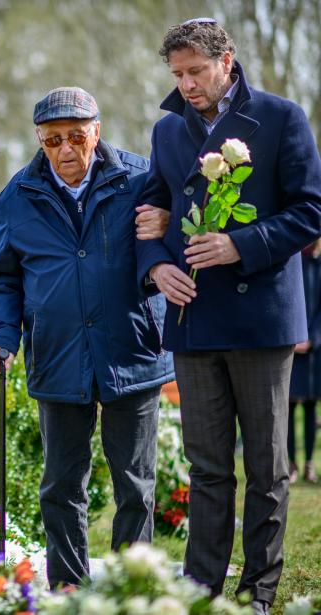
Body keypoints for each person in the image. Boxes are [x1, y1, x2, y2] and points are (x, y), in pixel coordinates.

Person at [135, 19, 321, 614]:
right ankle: (201, 590)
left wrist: (243, 245)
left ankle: (258, 594)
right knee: (207, 466)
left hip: (261, 316)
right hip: (193, 319)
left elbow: (310, 209)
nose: (186, 85)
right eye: (177, 75)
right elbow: (151, 210)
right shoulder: (168, 130)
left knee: (266, 468)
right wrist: (155, 269)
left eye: (195, 72)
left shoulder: (282, 117)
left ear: (227, 61)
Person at [0, 87, 173, 590]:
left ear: (97, 132)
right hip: (58, 352)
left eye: (76, 137)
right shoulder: (17, 196)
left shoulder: (140, 178)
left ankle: (132, 587)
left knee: (135, 483)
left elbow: (170, 242)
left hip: (131, 349)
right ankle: (68, 588)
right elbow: (2, 278)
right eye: (52, 141)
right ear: (40, 142)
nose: (66, 150)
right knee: (62, 485)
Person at [288, 239, 321, 484]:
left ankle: (309, 464)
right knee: (286, 410)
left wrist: (313, 338)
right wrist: (293, 336)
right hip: (290, 347)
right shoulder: (293, 260)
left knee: (310, 408)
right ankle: (291, 464)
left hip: (314, 351)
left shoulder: (318, 264)